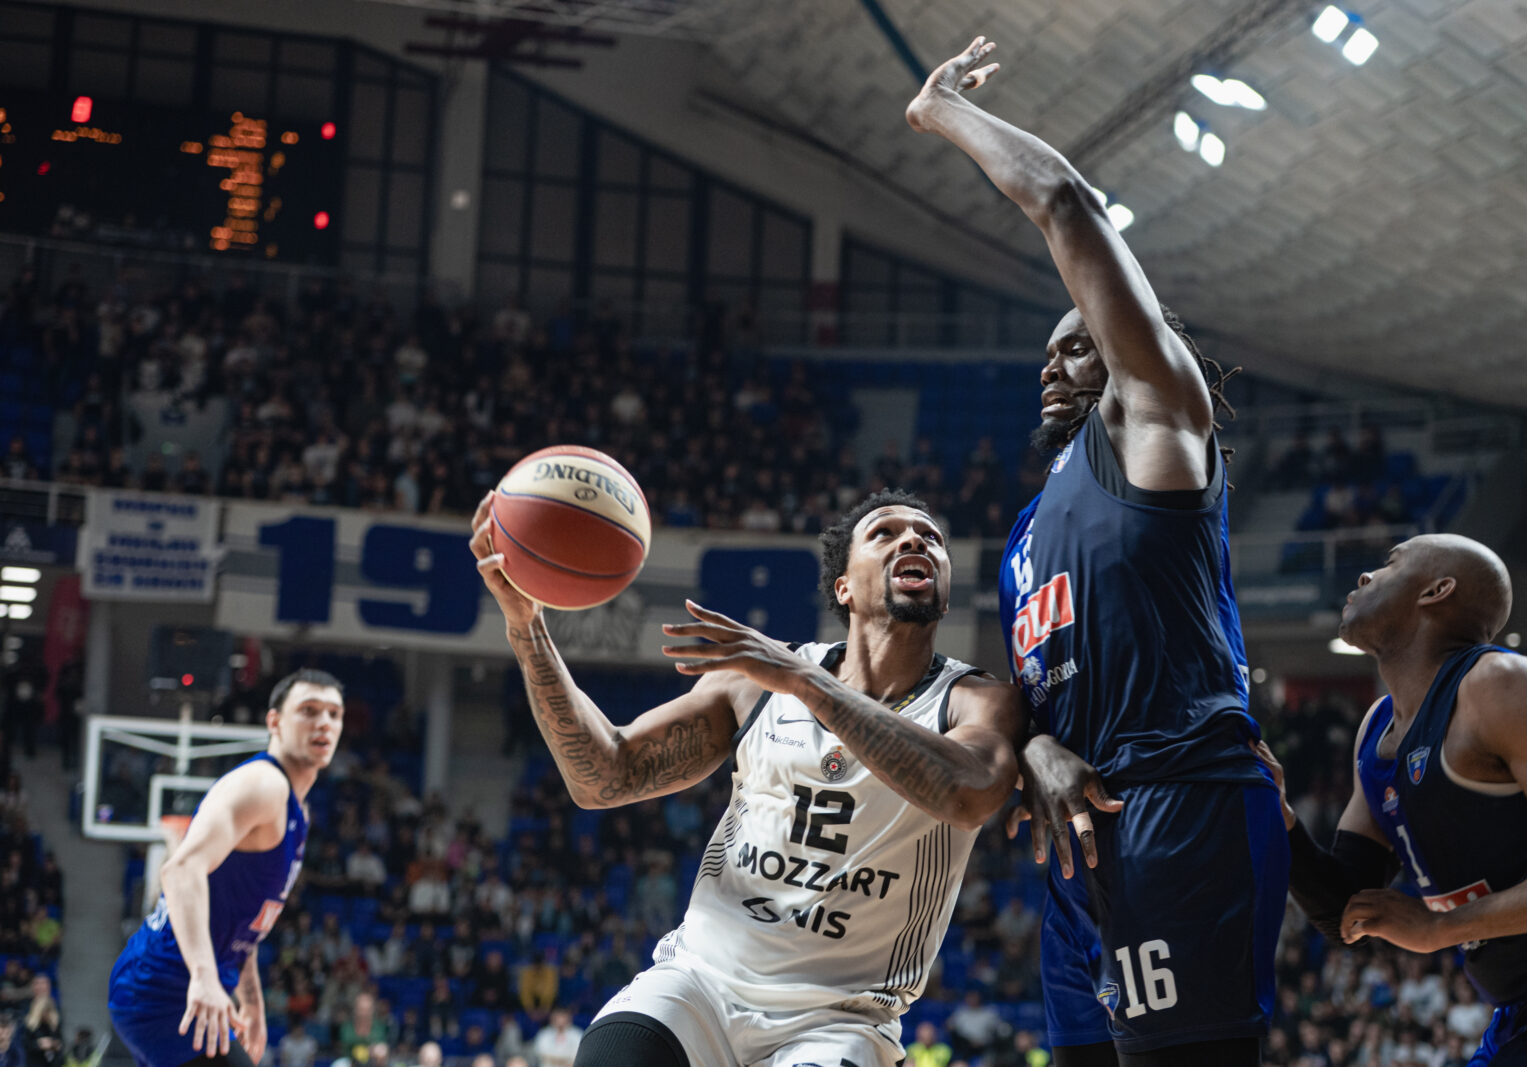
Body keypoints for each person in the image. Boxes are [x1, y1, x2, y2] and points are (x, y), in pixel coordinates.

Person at [908, 36, 1286, 1065]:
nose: (1051, 361)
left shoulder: (1157, 422)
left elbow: (1066, 204)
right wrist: (1030, 746)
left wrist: (942, 112)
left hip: (1178, 807)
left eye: (1075, 342)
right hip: (1077, 839)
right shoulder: (1030, 527)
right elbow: (1026, 695)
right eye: (1045, 351)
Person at [471, 487, 1025, 1067]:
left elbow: (967, 795)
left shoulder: (975, 702)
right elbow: (603, 776)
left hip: (841, 1017)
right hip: (700, 984)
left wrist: (806, 682)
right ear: (844, 587)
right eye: (885, 533)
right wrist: (526, 627)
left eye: (931, 538)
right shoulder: (758, 683)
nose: (915, 539)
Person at [1255, 534, 1527, 1063]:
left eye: (1390, 563)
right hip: (1522, 1008)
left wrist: (1442, 928)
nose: (1365, 576)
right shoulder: (1377, 729)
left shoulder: (1499, 685)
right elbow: (1346, 913)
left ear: (1437, 591)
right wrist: (1280, 818)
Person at [108, 669, 345, 1067]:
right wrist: (204, 976)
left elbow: (244, 917)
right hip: (166, 989)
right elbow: (180, 870)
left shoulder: (295, 809)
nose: (324, 723)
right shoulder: (263, 786)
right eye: (308, 710)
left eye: (334, 714)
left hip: (178, 986)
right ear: (275, 722)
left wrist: (251, 998)